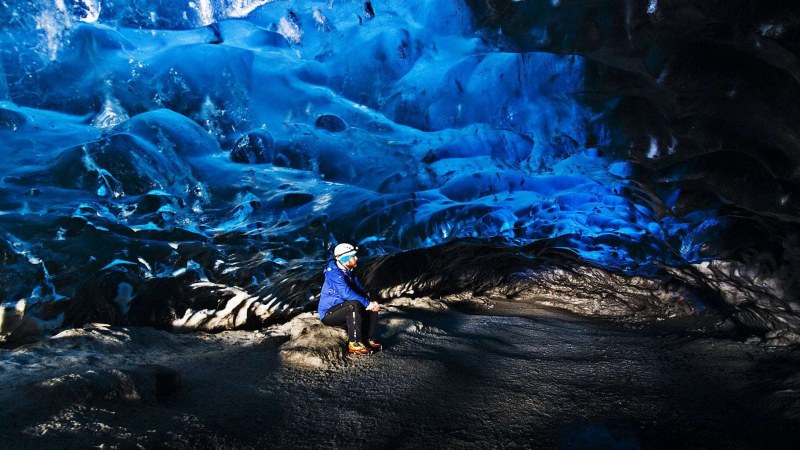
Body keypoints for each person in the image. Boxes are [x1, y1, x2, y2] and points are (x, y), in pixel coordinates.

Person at [318, 243, 382, 355]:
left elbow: (360, 291)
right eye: (353, 256)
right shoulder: (334, 274)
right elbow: (346, 294)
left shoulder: (349, 272)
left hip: (343, 309)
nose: (356, 258)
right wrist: (367, 303)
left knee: (370, 302)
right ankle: (355, 344)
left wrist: (371, 303)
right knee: (354, 305)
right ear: (345, 259)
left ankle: (368, 339)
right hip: (328, 314)